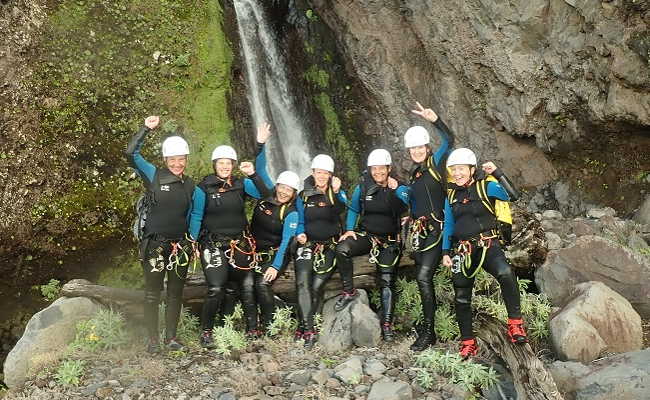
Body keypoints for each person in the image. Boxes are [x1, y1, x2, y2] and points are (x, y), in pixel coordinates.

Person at [125, 115, 204, 353]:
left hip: (179, 247)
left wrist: (191, 240)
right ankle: (152, 339)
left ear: (186, 160)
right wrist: (145, 130)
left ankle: (171, 337)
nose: (178, 163)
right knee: (152, 293)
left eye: (182, 159)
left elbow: (197, 215)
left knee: (175, 294)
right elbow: (131, 154)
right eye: (173, 159)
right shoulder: (154, 175)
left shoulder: (193, 188)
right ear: (165, 159)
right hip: (155, 246)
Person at [441, 148, 527, 359]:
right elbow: (449, 226)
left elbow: (512, 195)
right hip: (463, 250)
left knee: (505, 273)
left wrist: (497, 173)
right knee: (461, 297)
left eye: (461, 169)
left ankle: (515, 324)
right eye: (453, 170)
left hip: (488, 246)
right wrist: (445, 252)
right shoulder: (451, 194)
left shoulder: (486, 186)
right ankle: (468, 342)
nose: (457, 173)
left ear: (472, 169)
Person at [196, 126, 271, 348]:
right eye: (221, 163)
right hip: (213, 244)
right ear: (215, 165)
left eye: (229, 163)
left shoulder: (241, 184)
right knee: (216, 288)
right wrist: (193, 242)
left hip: (239, 243)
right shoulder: (204, 187)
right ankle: (207, 332)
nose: (225, 166)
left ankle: (251, 328)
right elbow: (197, 215)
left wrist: (254, 171)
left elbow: (266, 194)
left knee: (244, 285)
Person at [334, 149, 410, 341]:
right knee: (343, 249)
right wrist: (350, 228)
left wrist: (397, 192)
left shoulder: (398, 187)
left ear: (389, 168)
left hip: (389, 241)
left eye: (381, 168)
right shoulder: (363, 187)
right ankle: (349, 291)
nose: (377, 172)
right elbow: (353, 208)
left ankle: (386, 324)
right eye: (374, 168)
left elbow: (410, 202)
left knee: (387, 280)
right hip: (368, 237)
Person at [404, 102, 455, 351]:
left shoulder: (435, 164)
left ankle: (429, 332)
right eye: (412, 148)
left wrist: (435, 120)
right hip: (422, 233)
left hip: (438, 230)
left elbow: (449, 140)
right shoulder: (413, 175)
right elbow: (416, 203)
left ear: (426, 147)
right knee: (421, 277)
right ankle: (427, 324)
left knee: (423, 276)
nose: (416, 151)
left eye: (419, 147)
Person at [248, 124, 300, 333]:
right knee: (244, 284)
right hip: (254, 251)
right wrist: (260, 144)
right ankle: (254, 322)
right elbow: (259, 170)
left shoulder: (292, 213)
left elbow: (287, 242)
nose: (284, 192)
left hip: (276, 253)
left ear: (294, 193)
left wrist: (276, 267)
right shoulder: (265, 194)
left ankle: (270, 325)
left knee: (261, 283)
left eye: (289, 189)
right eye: (282, 187)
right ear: (276, 186)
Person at [294, 154, 348, 349]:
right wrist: (300, 233)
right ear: (313, 173)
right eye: (319, 172)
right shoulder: (303, 195)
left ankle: (303, 325)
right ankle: (307, 329)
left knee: (316, 286)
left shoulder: (338, 193)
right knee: (302, 283)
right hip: (307, 245)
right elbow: (299, 219)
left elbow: (340, 211)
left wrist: (335, 191)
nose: (322, 176)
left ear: (331, 175)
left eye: (326, 173)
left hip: (330, 246)